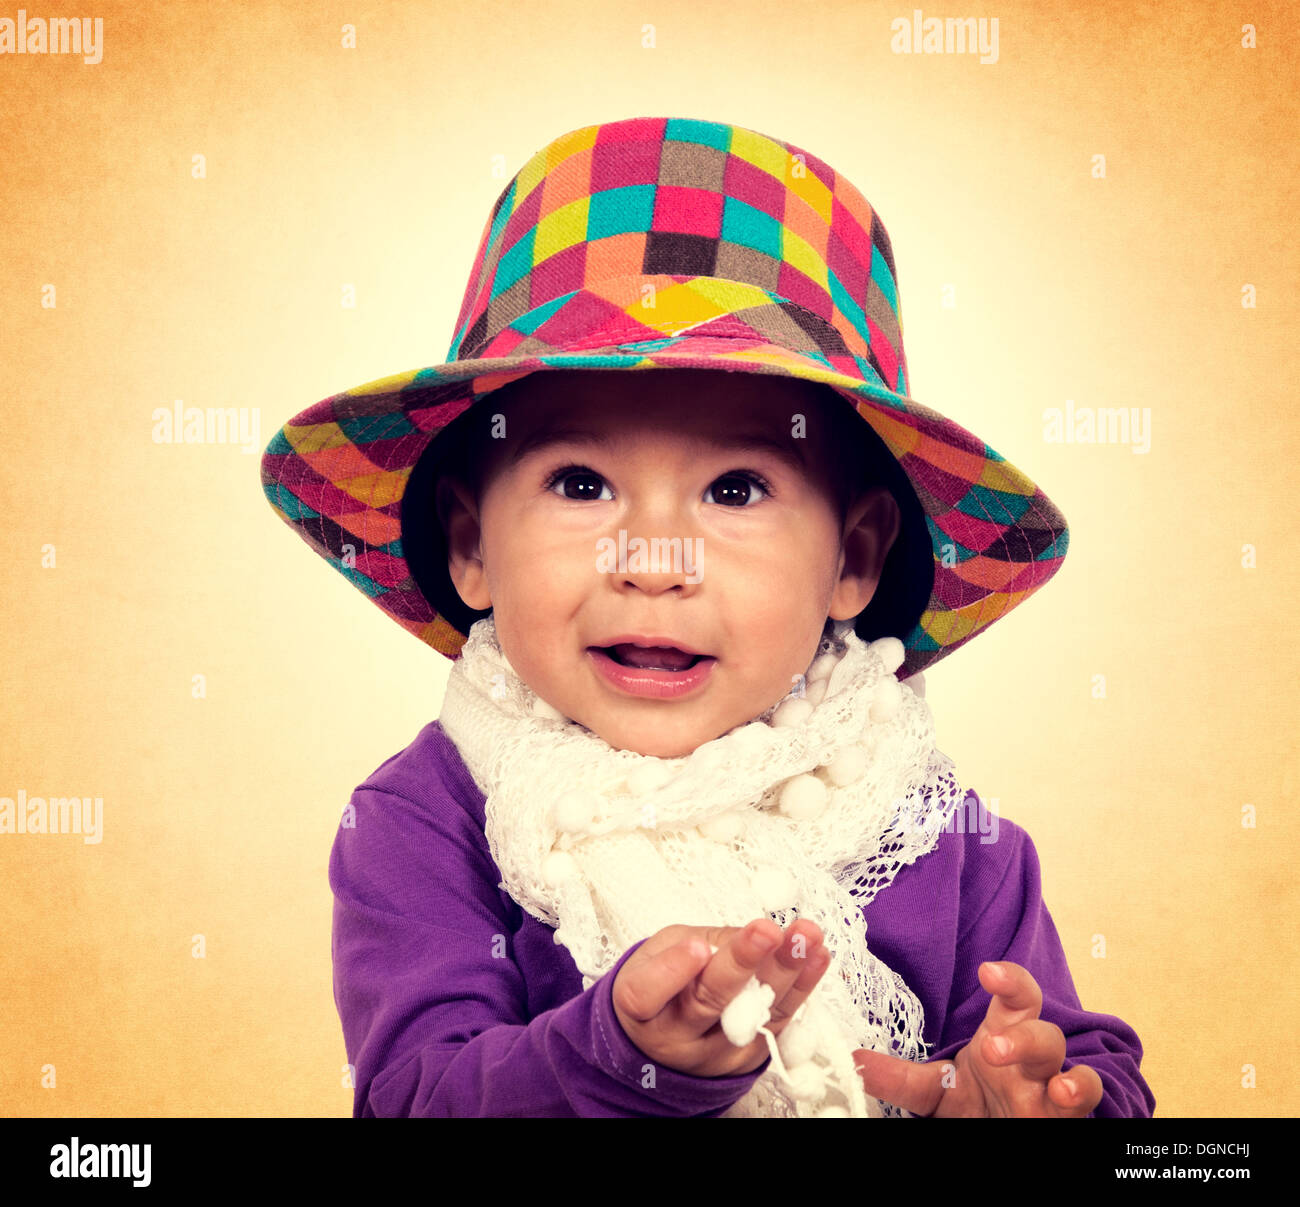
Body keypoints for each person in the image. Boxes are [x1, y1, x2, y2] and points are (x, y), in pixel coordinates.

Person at [261, 115, 1155, 1118]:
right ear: (470, 545)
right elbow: (412, 1098)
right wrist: (623, 1059)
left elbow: (1090, 1069)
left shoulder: (938, 831)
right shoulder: (430, 820)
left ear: (853, 562)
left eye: (734, 492)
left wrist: (1028, 1097)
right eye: (580, 482)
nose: (652, 563)